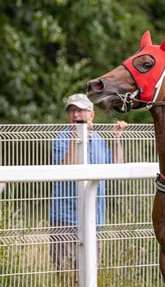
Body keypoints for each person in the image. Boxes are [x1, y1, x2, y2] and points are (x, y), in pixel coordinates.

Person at [49, 93, 127, 271]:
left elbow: (117, 168)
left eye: (80, 110)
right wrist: (77, 137)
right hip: (65, 220)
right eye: (71, 111)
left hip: (94, 218)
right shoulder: (61, 139)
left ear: (91, 115)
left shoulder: (100, 140)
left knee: (91, 270)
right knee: (64, 272)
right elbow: (67, 169)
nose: (75, 115)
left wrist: (116, 139)